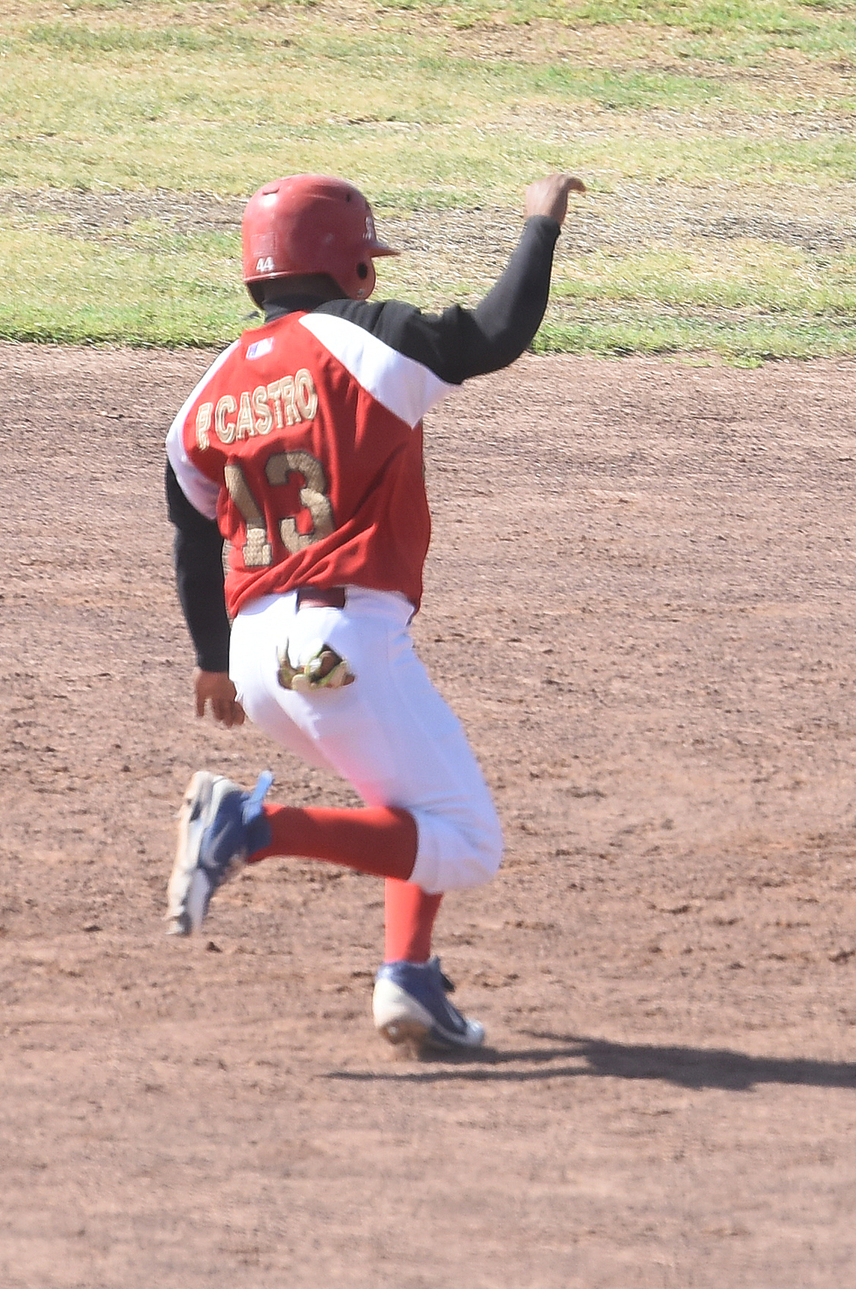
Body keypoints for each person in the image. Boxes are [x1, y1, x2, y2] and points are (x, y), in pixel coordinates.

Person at [163, 170, 585, 1048]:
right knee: (464, 840)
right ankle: (251, 826)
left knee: (407, 797)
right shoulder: (367, 339)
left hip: (257, 654)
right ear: (350, 267)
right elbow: (500, 331)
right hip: (335, 644)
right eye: (368, 265)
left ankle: (409, 978)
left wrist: (210, 658)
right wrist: (541, 223)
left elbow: (193, 537)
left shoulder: (207, 392)